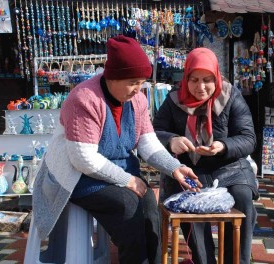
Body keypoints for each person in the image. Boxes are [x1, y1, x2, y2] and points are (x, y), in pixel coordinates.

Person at [31, 36, 201, 264]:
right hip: (75, 175)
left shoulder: (138, 101)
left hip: (115, 170)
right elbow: (83, 159)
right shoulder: (84, 99)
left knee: (150, 203)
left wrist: (175, 168)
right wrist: (127, 180)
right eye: (132, 82)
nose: (138, 89)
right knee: (128, 205)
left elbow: (147, 143)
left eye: (141, 82)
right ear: (112, 77)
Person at [153, 47, 258, 264]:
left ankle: (236, 261)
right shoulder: (173, 99)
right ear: (186, 78)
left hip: (230, 170)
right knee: (190, 204)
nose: (200, 87)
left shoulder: (230, 96)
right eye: (194, 79)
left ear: (216, 77)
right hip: (189, 172)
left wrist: (223, 146)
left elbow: (248, 138)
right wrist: (171, 140)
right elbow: (153, 133)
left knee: (243, 198)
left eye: (207, 80)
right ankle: (204, 261)